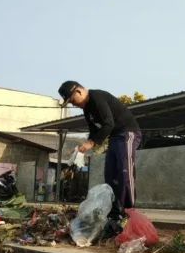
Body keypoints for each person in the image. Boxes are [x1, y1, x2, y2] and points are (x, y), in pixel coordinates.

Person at [58, 81, 142, 225]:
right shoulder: (87, 109)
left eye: (72, 100)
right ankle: (115, 212)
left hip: (127, 133)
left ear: (78, 91)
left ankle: (129, 211)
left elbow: (108, 123)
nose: (73, 104)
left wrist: (90, 143)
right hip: (115, 138)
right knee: (110, 175)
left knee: (124, 172)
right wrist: (83, 147)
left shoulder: (96, 96)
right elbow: (94, 131)